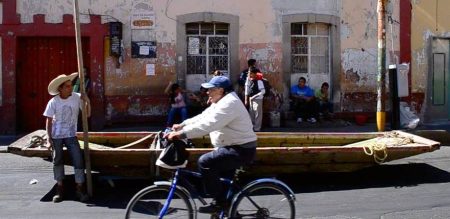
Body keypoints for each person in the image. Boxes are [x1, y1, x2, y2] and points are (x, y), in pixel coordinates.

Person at [166, 76, 257, 214]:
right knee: (224, 187)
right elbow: (203, 116)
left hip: (241, 149)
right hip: (230, 146)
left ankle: (219, 204)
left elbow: (208, 125)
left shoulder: (229, 103)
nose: (207, 92)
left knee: (205, 162)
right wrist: (182, 125)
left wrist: (182, 134)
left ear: (220, 90)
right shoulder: (220, 101)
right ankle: (227, 209)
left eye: (210, 90)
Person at [43, 72, 91, 203]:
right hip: (57, 136)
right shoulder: (53, 102)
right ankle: (60, 189)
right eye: (68, 86)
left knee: (78, 160)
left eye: (71, 85)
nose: (71, 88)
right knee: (57, 160)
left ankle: (79, 188)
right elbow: (48, 121)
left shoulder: (76, 97)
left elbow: (87, 115)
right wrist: (48, 138)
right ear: (61, 89)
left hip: (71, 135)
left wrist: (87, 102)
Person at [245, 67, 265, 131]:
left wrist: (254, 96)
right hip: (251, 99)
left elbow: (263, 91)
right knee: (251, 114)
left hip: (258, 99)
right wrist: (247, 99)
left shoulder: (259, 81)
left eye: (251, 73)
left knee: (257, 115)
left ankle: (257, 129)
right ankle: (252, 128)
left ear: (255, 74)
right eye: (248, 73)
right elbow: (247, 90)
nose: (249, 75)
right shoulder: (249, 80)